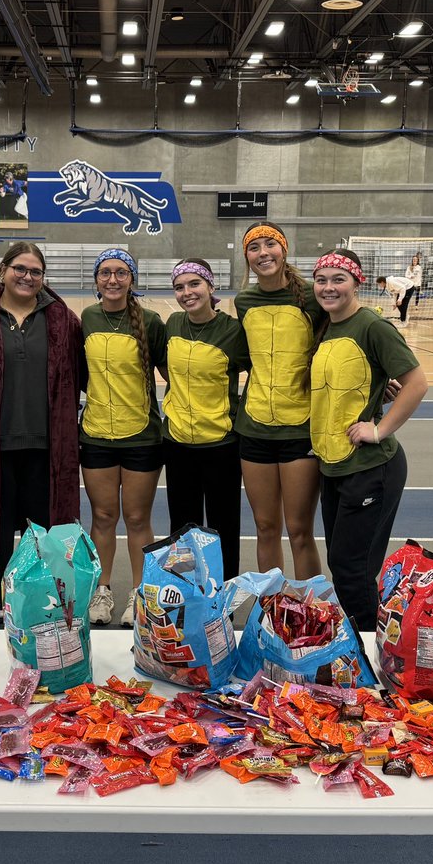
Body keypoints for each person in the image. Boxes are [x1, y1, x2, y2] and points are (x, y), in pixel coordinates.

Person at [0, 242, 84, 625]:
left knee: (45, 525)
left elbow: (83, 371)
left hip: (48, 442)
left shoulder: (62, 318)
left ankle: (45, 592)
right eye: (20, 269)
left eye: (36, 271)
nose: (27, 277)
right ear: (4, 269)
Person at [308, 249, 428, 634]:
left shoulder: (372, 326)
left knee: (351, 570)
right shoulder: (327, 327)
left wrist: (378, 430)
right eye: (322, 280)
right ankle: (362, 645)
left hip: (371, 467)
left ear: (356, 282)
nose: (329, 288)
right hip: (334, 464)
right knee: (343, 565)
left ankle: (369, 658)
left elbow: (417, 383)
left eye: (338, 279)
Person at [80, 249, 167, 627]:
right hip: (97, 435)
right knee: (102, 516)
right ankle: (101, 591)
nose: (112, 280)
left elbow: (173, 370)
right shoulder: (86, 318)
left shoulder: (150, 321)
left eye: (121, 273)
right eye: (105, 273)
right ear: (96, 279)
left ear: (132, 278)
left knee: (136, 518)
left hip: (142, 437)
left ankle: (140, 595)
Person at [235, 222, 325, 582]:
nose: (263, 253)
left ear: (283, 249)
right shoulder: (244, 301)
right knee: (265, 525)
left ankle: (310, 607)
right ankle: (274, 607)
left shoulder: (312, 295)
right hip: (254, 428)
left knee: (300, 529)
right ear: (247, 258)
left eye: (269, 244)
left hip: (300, 428)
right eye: (254, 248)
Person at [162, 258, 250, 580]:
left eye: (194, 284)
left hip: (221, 445)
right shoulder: (172, 325)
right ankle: (184, 594)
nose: (187, 292)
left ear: (210, 287)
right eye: (179, 287)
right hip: (177, 443)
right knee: (182, 529)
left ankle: (221, 597)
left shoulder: (232, 331)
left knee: (222, 526)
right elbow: (164, 368)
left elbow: (260, 371)